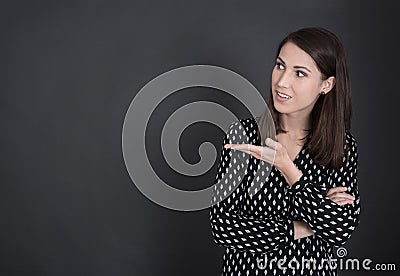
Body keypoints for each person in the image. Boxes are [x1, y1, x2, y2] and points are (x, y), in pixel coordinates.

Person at [209, 27, 361, 275]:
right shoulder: (244, 137)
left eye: (299, 73)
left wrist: (288, 169)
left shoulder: (341, 147)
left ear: (326, 84)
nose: (282, 81)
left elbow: (340, 230)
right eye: (280, 66)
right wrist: (302, 228)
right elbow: (223, 227)